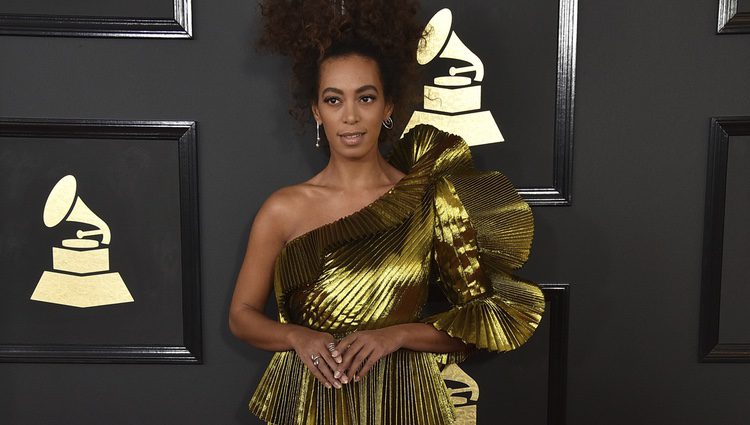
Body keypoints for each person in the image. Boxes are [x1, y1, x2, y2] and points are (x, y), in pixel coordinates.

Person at [229, 1, 545, 424]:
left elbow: (479, 321)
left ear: (389, 106)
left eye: (366, 97)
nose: (351, 116)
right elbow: (241, 316)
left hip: (404, 401)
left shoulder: (429, 199)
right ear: (316, 111)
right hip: (309, 400)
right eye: (333, 100)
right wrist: (296, 336)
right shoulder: (283, 208)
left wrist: (395, 336)